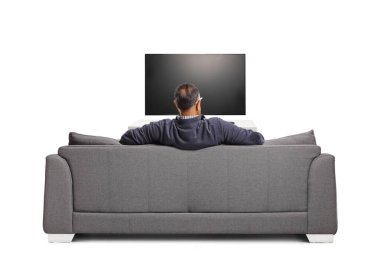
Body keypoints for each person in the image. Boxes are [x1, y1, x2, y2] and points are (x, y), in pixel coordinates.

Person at [120, 83, 264, 150]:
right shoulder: (218, 127)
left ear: (176, 104)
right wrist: (232, 129)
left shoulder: (161, 128)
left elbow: (126, 138)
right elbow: (257, 139)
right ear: (198, 103)